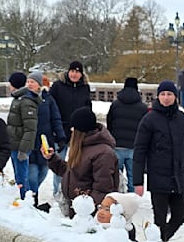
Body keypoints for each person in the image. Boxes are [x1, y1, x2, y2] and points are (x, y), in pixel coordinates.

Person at [133, 81, 184, 242]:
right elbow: (140, 152)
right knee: (160, 217)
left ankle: (157, 241)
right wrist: (138, 181)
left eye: (169, 94)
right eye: (162, 94)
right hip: (158, 177)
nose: (166, 98)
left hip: (178, 176)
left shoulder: (182, 118)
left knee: (180, 215)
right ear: (158, 96)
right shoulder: (149, 119)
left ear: (175, 96)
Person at [42, 107, 117, 218]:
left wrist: (86, 212)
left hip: (87, 215)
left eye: (73, 129)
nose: (71, 132)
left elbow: (102, 189)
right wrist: (52, 158)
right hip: (76, 210)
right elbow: (71, 171)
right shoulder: (83, 146)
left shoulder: (103, 153)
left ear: (80, 131)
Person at [48, 61, 93, 195]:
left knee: (76, 164)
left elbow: (88, 107)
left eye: (77, 72)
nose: (74, 74)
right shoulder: (57, 86)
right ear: (68, 72)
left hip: (78, 131)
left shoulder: (85, 87)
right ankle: (58, 192)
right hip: (60, 129)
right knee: (58, 162)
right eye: (72, 71)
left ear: (81, 74)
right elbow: (51, 106)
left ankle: (73, 190)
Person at [27, 71, 63, 208]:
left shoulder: (48, 99)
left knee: (43, 171)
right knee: (32, 174)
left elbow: (56, 118)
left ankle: (32, 195)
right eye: (28, 81)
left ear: (39, 85)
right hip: (30, 142)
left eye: (32, 82)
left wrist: (60, 136)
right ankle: (32, 201)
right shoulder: (24, 99)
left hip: (45, 142)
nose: (29, 84)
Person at [107, 77, 147, 190]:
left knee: (116, 178)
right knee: (133, 178)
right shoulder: (142, 108)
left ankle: (116, 201)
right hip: (134, 147)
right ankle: (131, 203)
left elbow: (109, 123)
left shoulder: (115, 105)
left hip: (117, 145)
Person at [6, 71, 40, 199]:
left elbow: (30, 129)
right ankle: (20, 199)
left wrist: (24, 150)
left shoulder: (25, 101)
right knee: (18, 176)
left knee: (22, 177)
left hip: (20, 147)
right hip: (15, 144)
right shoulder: (17, 99)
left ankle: (24, 201)